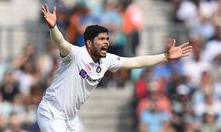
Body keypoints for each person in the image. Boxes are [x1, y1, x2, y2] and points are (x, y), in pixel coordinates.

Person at [37, 4, 193, 132]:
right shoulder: (76, 54)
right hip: (52, 110)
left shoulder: (107, 60)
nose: (106, 42)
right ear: (89, 43)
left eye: (107, 39)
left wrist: (164, 56)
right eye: (101, 39)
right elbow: (61, 43)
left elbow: (136, 62)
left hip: (71, 116)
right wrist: (53, 27)